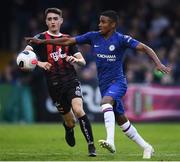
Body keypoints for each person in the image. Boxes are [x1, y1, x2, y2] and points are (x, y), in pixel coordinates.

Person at [26, 10, 172, 159]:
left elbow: (145, 48)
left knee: (105, 102)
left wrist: (158, 63)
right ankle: (147, 147)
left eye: (103, 22)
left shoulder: (122, 39)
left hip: (118, 82)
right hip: (104, 85)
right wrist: (43, 42)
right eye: (99, 21)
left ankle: (110, 141)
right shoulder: (93, 36)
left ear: (113, 24)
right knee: (122, 120)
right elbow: (68, 41)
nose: (99, 24)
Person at [24, 8, 96, 157]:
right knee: (71, 121)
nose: (52, 22)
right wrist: (40, 63)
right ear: (46, 21)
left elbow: (82, 61)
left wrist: (75, 60)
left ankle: (91, 146)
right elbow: (25, 55)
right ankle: (69, 128)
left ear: (61, 21)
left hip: (71, 80)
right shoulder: (40, 37)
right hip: (54, 85)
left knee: (78, 110)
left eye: (55, 19)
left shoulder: (68, 38)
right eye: (49, 19)